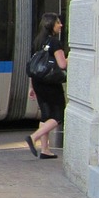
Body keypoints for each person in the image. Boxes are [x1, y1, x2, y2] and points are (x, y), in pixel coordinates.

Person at [26, 11, 67, 160]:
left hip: (38, 81)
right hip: (50, 82)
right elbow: (62, 64)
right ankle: (33, 137)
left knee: (45, 114)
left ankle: (45, 150)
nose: (60, 25)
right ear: (51, 25)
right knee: (58, 115)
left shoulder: (37, 41)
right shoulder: (54, 42)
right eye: (58, 22)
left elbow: (33, 66)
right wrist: (74, 58)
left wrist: (31, 87)